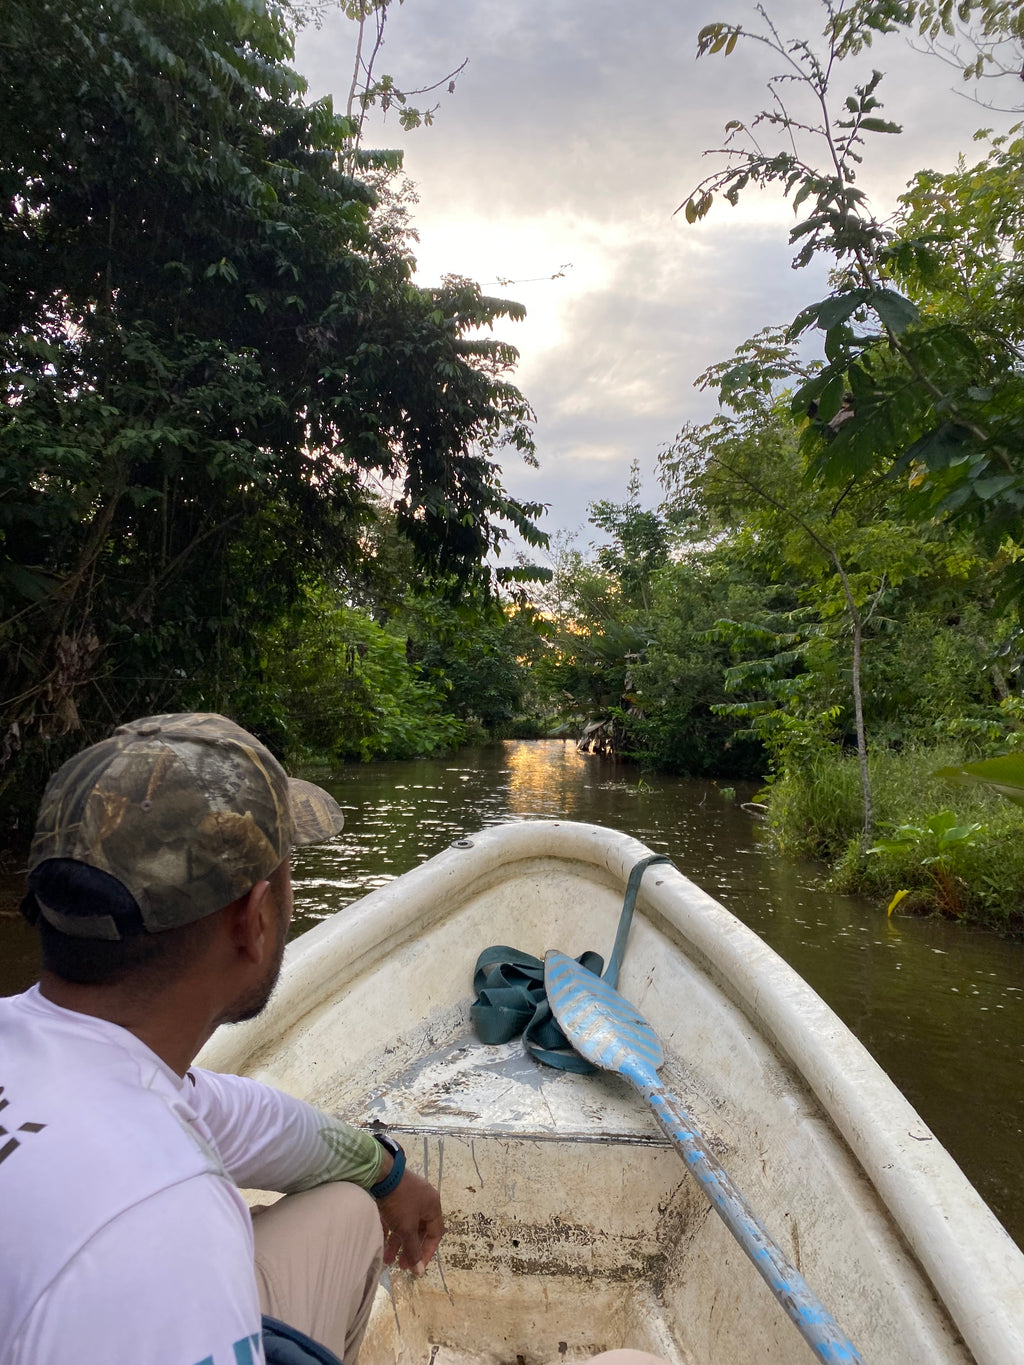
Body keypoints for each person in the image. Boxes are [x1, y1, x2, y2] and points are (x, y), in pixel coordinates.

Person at [0, 712, 444, 1365]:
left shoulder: (55, 1050)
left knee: (351, 1207)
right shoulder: (166, 1222)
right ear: (253, 918)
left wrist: (387, 1170)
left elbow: (240, 1116)